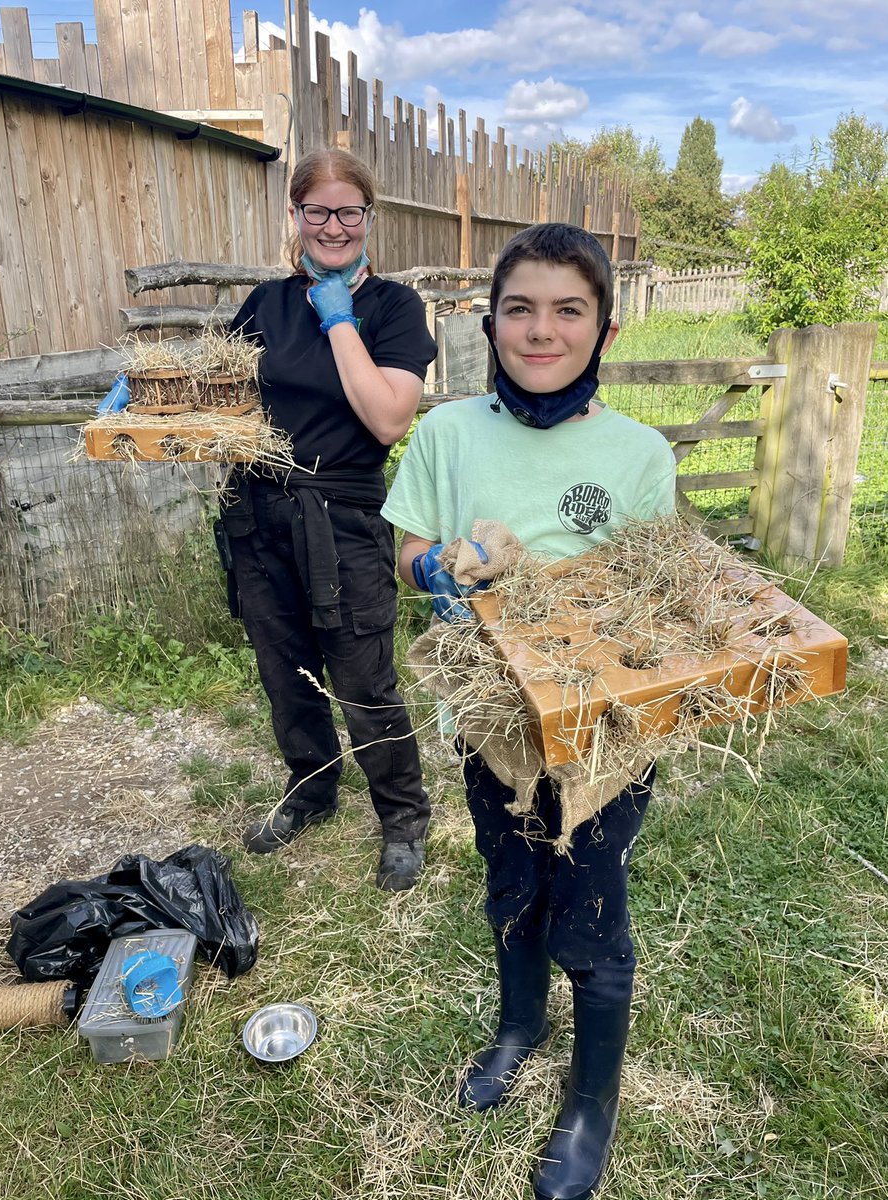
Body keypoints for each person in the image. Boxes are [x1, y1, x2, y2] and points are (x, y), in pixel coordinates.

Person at [382, 223, 677, 1198]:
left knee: (589, 910)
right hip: (488, 719)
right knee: (511, 881)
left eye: (567, 310)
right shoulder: (447, 431)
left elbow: (655, 597)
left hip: (602, 734)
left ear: (606, 330)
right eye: (520, 309)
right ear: (488, 320)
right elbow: (408, 548)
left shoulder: (638, 454)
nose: (540, 331)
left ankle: (591, 1102)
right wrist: (442, 568)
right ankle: (520, 1023)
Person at [220, 147, 436, 891]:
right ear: (296, 216)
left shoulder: (395, 311)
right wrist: (161, 391)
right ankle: (311, 790)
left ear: (369, 217)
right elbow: (226, 395)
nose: (334, 226)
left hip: (341, 517)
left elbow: (385, 419)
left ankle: (403, 814)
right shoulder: (264, 304)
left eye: (349, 211)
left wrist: (338, 318)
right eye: (318, 212)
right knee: (285, 671)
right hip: (258, 513)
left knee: (363, 677)